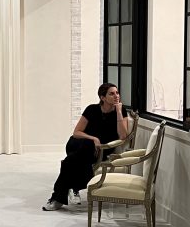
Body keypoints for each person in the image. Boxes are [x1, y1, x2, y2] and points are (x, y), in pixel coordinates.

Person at [43, 83, 130, 211]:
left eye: (117, 93)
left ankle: (58, 197)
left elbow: (123, 136)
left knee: (69, 162)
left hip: (100, 149)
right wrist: (93, 138)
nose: (116, 96)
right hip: (78, 144)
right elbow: (76, 132)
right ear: (102, 97)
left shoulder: (121, 111)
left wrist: (118, 112)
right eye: (111, 94)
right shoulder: (92, 109)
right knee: (87, 146)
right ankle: (74, 188)